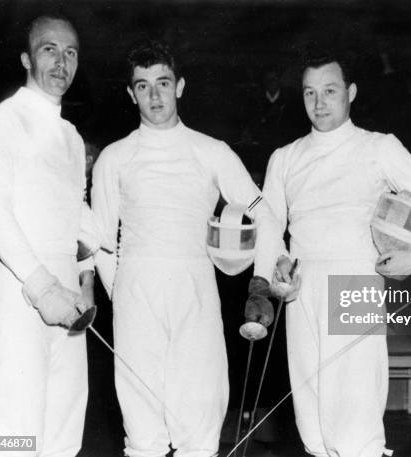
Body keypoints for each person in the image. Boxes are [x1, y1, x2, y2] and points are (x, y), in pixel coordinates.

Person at [91, 39, 283, 457]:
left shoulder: (212, 152)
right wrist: (122, 296)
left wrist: (260, 284)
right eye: (142, 86)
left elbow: (264, 215)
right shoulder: (114, 158)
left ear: (179, 86)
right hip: (136, 291)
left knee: (199, 424)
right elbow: (102, 243)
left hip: (195, 287)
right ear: (130, 93)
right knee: (143, 432)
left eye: (162, 83)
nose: (154, 95)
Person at [260, 51, 411, 457]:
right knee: (311, 418)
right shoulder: (285, 157)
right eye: (310, 92)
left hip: (354, 280)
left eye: (329, 91)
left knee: (355, 420)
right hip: (301, 288)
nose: (319, 102)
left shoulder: (379, 147)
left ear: (350, 92)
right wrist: (278, 262)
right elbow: (270, 227)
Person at [0, 15, 98, 456]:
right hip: (20, 287)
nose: (61, 62)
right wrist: (43, 288)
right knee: (16, 438)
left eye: (71, 53)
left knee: (63, 435)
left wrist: (84, 281)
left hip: (68, 298)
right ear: (27, 57)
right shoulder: (0, 122)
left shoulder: (72, 137)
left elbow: (76, 220)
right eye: (49, 50)